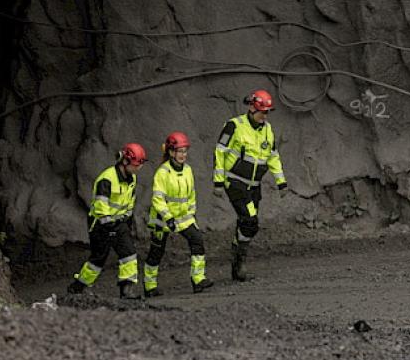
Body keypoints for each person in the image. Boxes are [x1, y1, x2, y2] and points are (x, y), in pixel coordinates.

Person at [212, 89, 287, 282]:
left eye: (268, 112)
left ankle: (237, 258)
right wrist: (218, 181)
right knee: (250, 220)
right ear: (252, 107)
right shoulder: (234, 126)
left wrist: (281, 181)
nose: (265, 116)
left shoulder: (268, 130)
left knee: (248, 224)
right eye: (262, 111)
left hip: (254, 186)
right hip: (235, 183)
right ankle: (239, 261)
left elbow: (273, 156)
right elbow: (220, 152)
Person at [67, 142, 146, 299]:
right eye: (136, 164)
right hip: (101, 224)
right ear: (125, 162)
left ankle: (126, 290)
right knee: (97, 260)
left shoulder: (132, 179)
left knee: (128, 254)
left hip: (118, 223)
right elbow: (100, 205)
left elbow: (130, 201)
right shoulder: (107, 179)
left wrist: (125, 220)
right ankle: (78, 287)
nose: (139, 168)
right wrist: (108, 222)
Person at [143, 131, 213, 297]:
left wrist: (191, 213)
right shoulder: (163, 173)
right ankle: (149, 286)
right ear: (171, 152)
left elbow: (191, 195)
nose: (183, 155)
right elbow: (158, 199)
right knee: (156, 252)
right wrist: (168, 218)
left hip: (183, 219)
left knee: (197, 240)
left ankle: (198, 280)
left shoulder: (188, 170)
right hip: (162, 219)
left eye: (185, 151)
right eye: (180, 151)